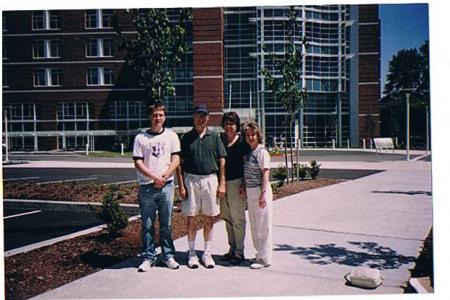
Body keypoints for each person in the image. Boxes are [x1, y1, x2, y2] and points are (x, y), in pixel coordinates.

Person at [177, 104, 227, 269]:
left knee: (209, 218)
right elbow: (179, 163)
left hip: (210, 180)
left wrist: (222, 182)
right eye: (198, 115)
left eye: (204, 115)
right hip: (190, 179)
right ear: (193, 117)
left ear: (208, 118)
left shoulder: (214, 137)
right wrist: (181, 185)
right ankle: (191, 253)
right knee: (191, 218)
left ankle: (207, 253)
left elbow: (222, 160)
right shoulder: (186, 138)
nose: (201, 119)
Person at [132, 103, 181, 271]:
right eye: (154, 115)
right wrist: (154, 177)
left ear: (164, 117)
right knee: (147, 225)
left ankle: (168, 256)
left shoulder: (172, 136)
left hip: (166, 186)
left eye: (160, 115)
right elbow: (138, 162)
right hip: (147, 187)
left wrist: (164, 176)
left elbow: (176, 159)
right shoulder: (141, 138)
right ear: (149, 117)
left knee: (166, 224)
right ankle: (148, 256)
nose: (157, 118)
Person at [220, 111, 249, 265]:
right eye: (226, 123)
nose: (229, 126)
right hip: (223, 184)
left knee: (238, 219)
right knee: (227, 218)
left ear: (237, 126)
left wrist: (244, 184)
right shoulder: (221, 140)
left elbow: (246, 165)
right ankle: (232, 249)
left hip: (237, 184)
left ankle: (239, 252)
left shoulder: (242, 143)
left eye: (232, 123)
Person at [243, 121, 273, 269]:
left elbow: (265, 174)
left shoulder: (262, 152)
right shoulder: (250, 152)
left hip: (261, 191)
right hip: (250, 191)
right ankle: (259, 254)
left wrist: (263, 194)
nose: (250, 137)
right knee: (254, 225)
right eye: (248, 135)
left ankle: (265, 258)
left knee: (263, 226)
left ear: (258, 135)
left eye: (253, 134)